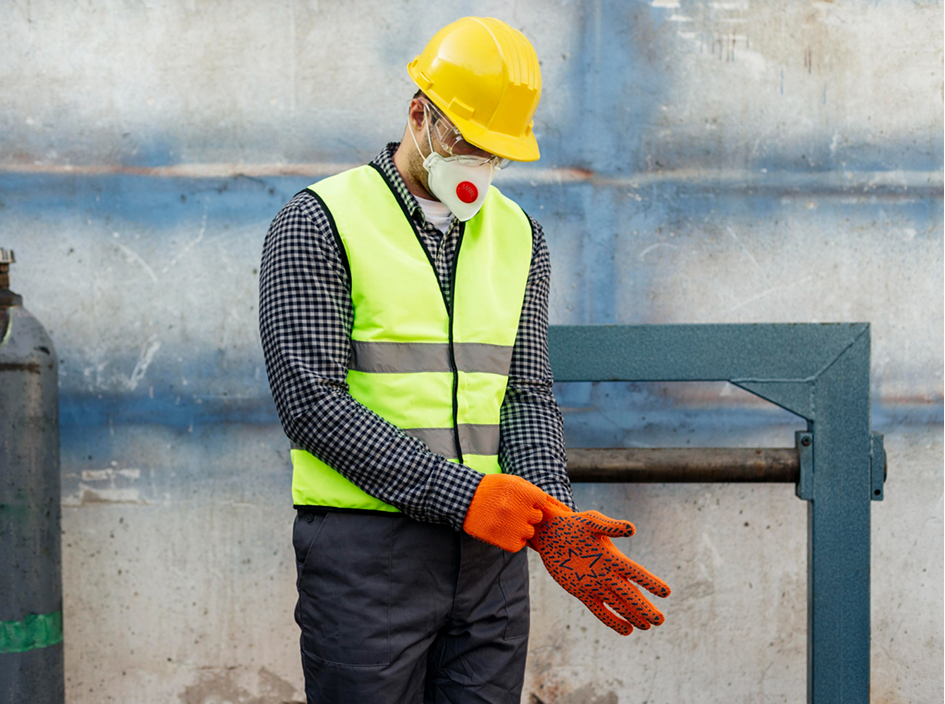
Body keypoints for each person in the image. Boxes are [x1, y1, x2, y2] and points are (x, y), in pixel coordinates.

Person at [258, 16, 669, 704]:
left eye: (494, 151)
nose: (477, 162)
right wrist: (464, 496)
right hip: (367, 558)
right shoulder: (318, 222)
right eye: (463, 141)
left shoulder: (519, 236)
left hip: (491, 562)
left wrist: (554, 518)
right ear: (418, 114)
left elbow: (523, 395)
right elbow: (312, 404)